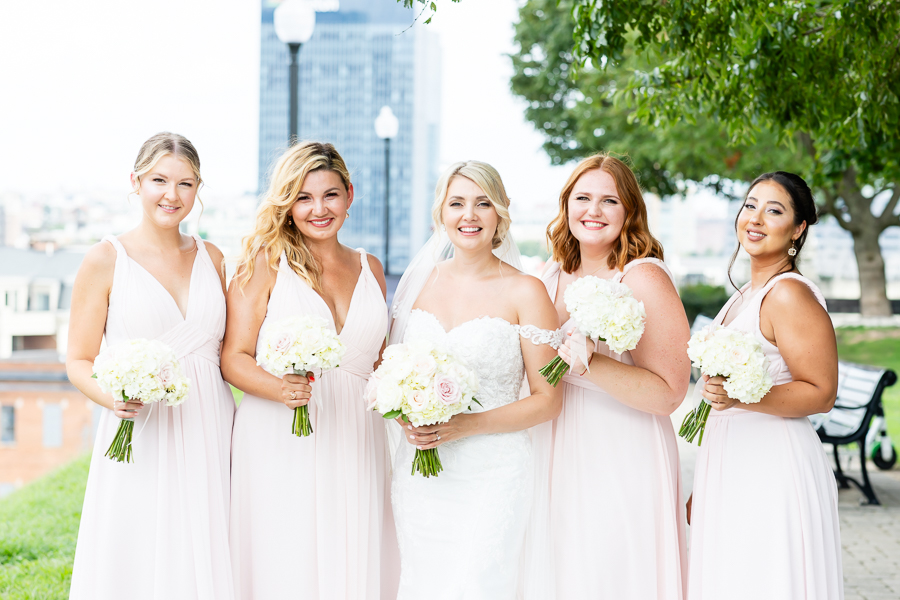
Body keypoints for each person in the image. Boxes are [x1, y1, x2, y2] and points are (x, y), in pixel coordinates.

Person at [221, 141, 396, 600]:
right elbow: (233, 357)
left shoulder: (370, 267)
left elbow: (380, 361)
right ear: (287, 204)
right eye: (303, 197)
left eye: (330, 195)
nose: (319, 208)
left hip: (357, 434)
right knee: (288, 557)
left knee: (352, 553)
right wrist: (280, 389)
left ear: (350, 195)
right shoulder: (266, 263)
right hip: (282, 433)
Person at [66, 132, 234, 600]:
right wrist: (113, 399)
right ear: (136, 182)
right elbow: (78, 360)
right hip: (141, 425)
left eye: (185, 183)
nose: (171, 195)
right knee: (137, 547)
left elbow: (228, 352)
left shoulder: (213, 257)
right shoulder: (105, 259)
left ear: (198, 189)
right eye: (159, 180)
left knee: (205, 542)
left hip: (210, 423)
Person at [387, 160, 562, 600]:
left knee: (479, 583)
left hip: (494, 472)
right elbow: (389, 370)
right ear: (440, 214)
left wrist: (466, 424)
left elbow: (548, 399)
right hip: (422, 474)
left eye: (483, 203)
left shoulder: (527, 291)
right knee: (423, 581)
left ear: (501, 213)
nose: (469, 215)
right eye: (457, 203)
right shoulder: (418, 284)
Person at [535, 153, 691, 599]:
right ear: (566, 206)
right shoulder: (551, 272)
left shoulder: (642, 276)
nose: (593, 211)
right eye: (582, 198)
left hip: (618, 445)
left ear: (629, 211)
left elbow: (669, 394)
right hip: (554, 441)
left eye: (609, 201)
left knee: (609, 571)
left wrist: (592, 362)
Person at [687, 171, 842, 600]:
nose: (755, 218)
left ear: (798, 229)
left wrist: (740, 395)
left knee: (767, 578)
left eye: (774, 210)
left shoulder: (789, 295)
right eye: (750, 204)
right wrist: (704, 485)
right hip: (730, 457)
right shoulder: (742, 296)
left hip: (773, 464)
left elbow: (822, 392)